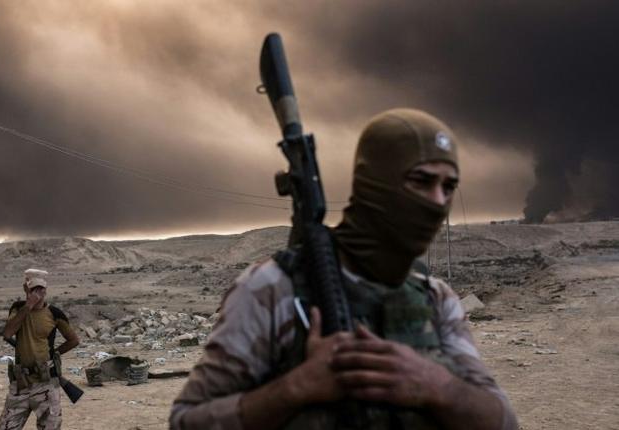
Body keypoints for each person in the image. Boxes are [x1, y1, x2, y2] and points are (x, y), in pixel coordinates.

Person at [170, 109, 518, 430]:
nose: (439, 202)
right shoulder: (272, 288)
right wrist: (296, 387)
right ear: (375, 183)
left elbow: (502, 420)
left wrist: (437, 385)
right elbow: (187, 421)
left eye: (448, 187)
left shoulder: (434, 296)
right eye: (421, 181)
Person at [0, 268, 80, 430]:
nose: (38, 292)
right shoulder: (18, 309)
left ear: (46, 290)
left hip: (46, 382)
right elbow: (7, 333)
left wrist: (54, 353)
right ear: (25, 288)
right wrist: (28, 306)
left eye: (41, 289)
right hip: (21, 383)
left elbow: (73, 340)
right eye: (34, 289)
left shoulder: (54, 313)